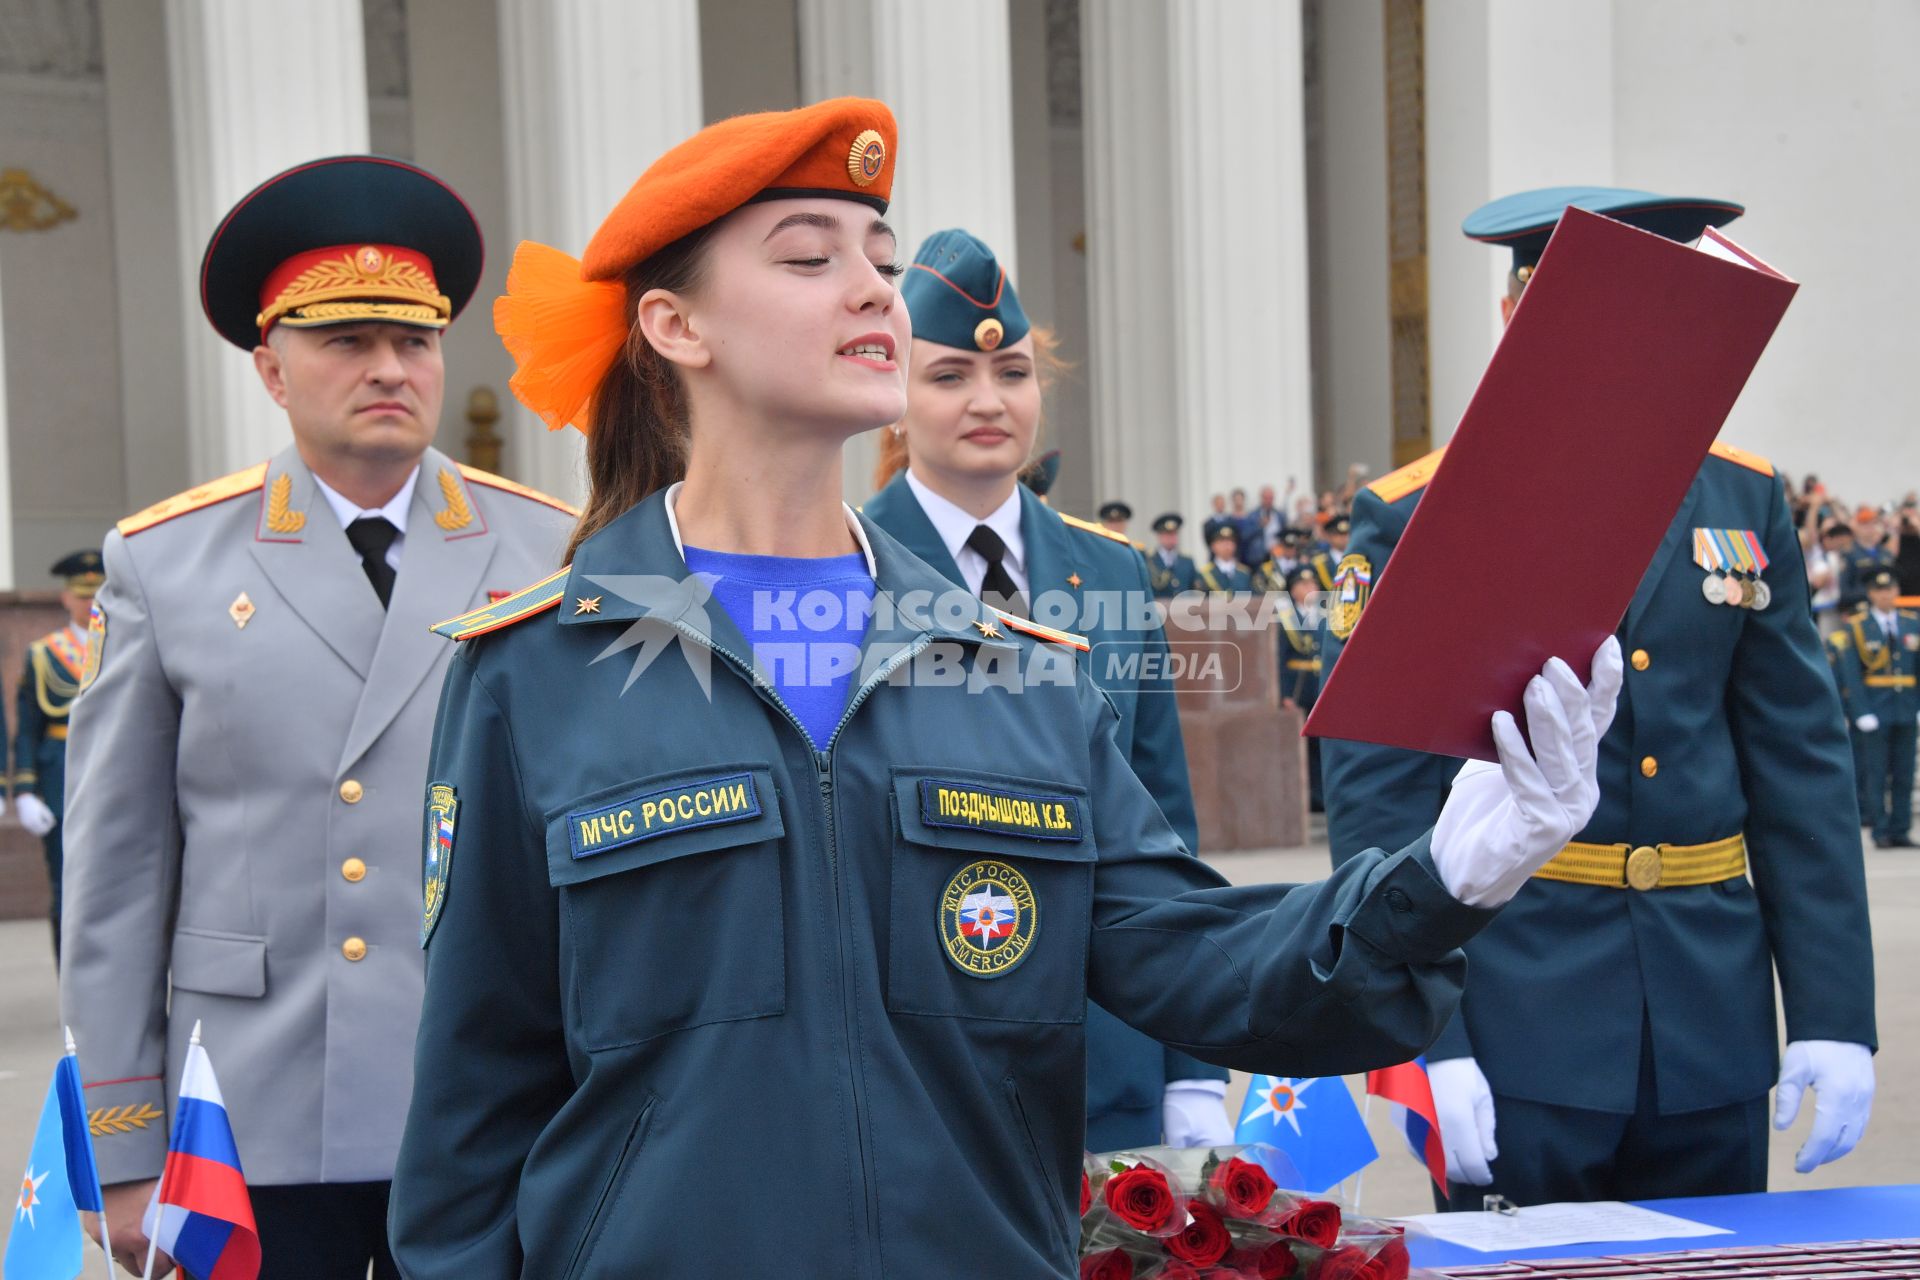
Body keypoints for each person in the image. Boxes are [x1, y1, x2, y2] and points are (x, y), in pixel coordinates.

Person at [387, 98, 1615, 1276]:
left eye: (879, 252)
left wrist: (1451, 873)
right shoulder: (535, 670)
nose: (875, 285)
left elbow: (1200, 961)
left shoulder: (1019, 671)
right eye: (809, 258)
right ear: (675, 326)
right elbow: (473, 1107)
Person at [59, 155, 577, 1278]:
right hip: (250, 1105)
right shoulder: (168, 560)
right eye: (347, 340)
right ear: (270, 366)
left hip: (492, 1102)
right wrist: (123, 1142)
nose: (390, 368)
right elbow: (115, 876)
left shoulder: (550, 551)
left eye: (416, 341)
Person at [1321, 186, 1876, 1210]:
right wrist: (1427, 1039)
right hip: (1517, 1010)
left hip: (1711, 1014)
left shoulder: (1741, 494)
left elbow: (1800, 767)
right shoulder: (1420, 512)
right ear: (1517, 314)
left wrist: (1836, 1011)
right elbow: (1380, 800)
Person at [864, 227, 1230, 1153]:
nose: (989, 401)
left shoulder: (1109, 571)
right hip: (913, 1067)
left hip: (1105, 1049)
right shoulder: (838, 569)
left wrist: (1191, 1065)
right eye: (948, 376)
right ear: (894, 399)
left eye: (1014, 374)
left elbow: (1164, 832)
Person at [10, 549, 104, 961]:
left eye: (97, 594)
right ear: (65, 598)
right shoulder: (44, 654)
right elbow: (27, 727)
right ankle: (71, 987)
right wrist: (25, 790)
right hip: (60, 772)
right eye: (82, 595)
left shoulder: (127, 646)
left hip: (113, 770)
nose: (90, 603)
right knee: (67, 888)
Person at [1833, 568, 1918, 848]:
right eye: (1880, 590)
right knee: (1877, 774)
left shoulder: (1911, 623)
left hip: (1905, 706)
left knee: (1904, 773)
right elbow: (1852, 674)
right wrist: (1860, 711)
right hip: (1876, 708)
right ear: (1871, 594)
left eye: (1890, 589)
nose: (1886, 594)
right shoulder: (1858, 626)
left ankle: (1900, 828)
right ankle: (1880, 829)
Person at [1277, 565, 1325, 812]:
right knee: (1301, 746)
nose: (1309, 589)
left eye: (1313, 584)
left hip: (1320, 685)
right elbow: (1280, 658)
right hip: (1299, 685)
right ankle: (1307, 798)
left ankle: (1321, 796)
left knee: (1321, 744)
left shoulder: (1325, 615)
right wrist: (1284, 694)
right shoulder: (1285, 617)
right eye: (1303, 585)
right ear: (1293, 589)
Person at [1147, 512, 1198, 598]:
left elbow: (1194, 590)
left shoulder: (1187, 562)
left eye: (1174, 533)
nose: (1171, 537)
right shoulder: (1149, 561)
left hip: (1184, 610)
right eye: (1167, 534)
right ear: (1159, 536)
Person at [1196, 524, 1252, 594]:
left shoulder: (1245, 573)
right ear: (1213, 546)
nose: (1226, 545)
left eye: (1230, 541)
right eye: (1221, 541)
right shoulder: (1204, 574)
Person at [1308, 513, 1349, 590]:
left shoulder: (1359, 558)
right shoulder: (1318, 562)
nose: (1343, 538)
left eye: (1347, 534)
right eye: (1338, 534)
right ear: (1329, 536)